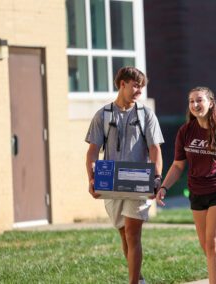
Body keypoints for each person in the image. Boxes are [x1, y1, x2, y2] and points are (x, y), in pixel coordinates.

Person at [156, 86, 216, 284]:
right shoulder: (186, 131)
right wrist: (164, 187)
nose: (195, 105)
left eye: (199, 100)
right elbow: (177, 165)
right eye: (191, 101)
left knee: (214, 245)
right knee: (208, 248)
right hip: (198, 191)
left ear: (210, 102)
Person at [85, 66, 164, 284]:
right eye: (136, 85)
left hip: (138, 180)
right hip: (110, 181)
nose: (140, 90)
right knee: (123, 235)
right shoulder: (103, 115)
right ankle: (138, 277)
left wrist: (156, 178)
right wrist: (91, 179)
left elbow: (155, 149)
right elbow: (93, 151)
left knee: (132, 233)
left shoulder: (145, 114)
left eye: (142, 86)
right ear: (123, 84)